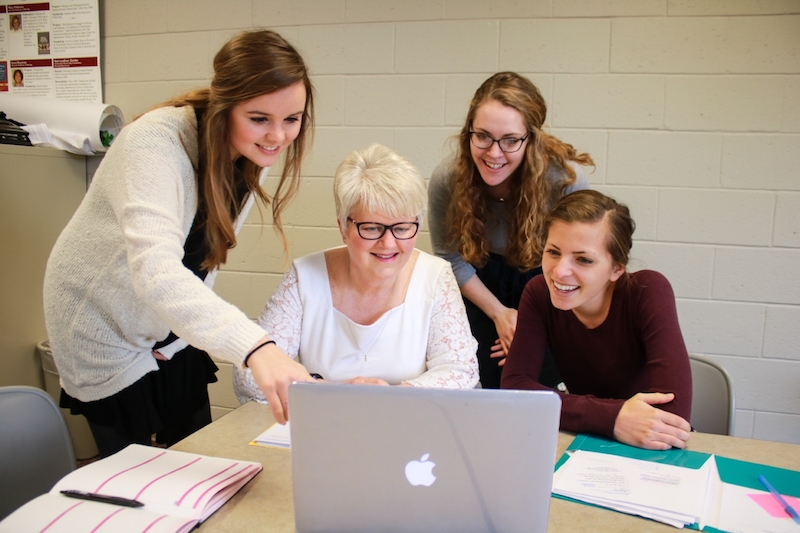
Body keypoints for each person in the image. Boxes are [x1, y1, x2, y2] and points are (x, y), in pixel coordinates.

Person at [43, 30, 316, 457]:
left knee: (195, 453)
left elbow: (200, 261)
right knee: (132, 476)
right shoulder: (154, 143)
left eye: (292, 119)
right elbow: (156, 270)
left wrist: (172, 339)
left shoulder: (252, 152)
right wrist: (258, 347)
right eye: (259, 118)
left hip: (160, 318)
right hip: (101, 320)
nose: (278, 137)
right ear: (226, 107)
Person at [234, 143, 478, 403]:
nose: (388, 243)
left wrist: (390, 396)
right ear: (343, 227)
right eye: (372, 228)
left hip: (408, 424)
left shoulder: (435, 277)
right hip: (325, 423)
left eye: (403, 227)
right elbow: (249, 376)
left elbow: (461, 370)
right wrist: (333, 391)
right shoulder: (304, 277)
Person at [428, 71, 593, 389]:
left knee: (542, 384)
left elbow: (578, 265)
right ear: (469, 133)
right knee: (484, 379)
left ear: (530, 139)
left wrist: (530, 325)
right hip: (479, 286)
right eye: (483, 136)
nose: (493, 153)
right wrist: (500, 314)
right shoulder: (448, 178)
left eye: (510, 140)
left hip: (549, 284)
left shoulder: (563, 181)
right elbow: (449, 257)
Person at [501, 190, 692, 450]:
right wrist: (613, 417)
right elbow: (515, 389)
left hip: (650, 442)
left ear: (617, 269)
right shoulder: (538, 293)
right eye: (553, 252)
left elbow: (672, 414)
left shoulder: (648, 290)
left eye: (583, 259)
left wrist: (577, 410)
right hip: (587, 440)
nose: (559, 271)